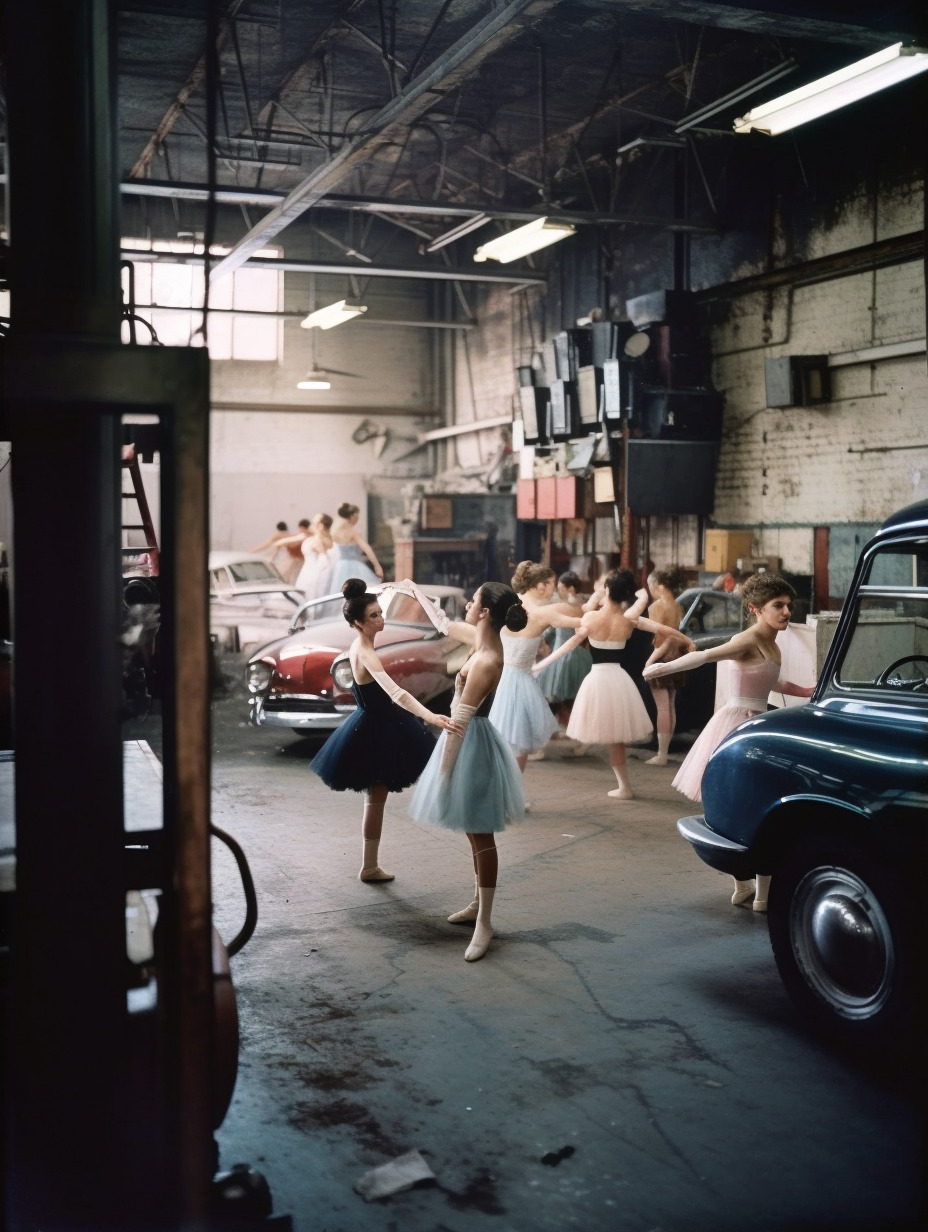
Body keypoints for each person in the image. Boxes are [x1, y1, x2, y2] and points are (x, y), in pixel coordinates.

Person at [643, 572, 814, 911]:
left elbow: (771, 680)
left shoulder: (772, 643)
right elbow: (705, 656)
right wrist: (660, 670)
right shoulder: (747, 639)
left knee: (763, 806)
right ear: (756, 608)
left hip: (759, 723)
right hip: (737, 724)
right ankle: (743, 885)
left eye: (788, 606)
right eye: (777, 606)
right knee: (736, 805)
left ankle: (761, 893)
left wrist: (807, 691)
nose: (786, 612)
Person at [310, 579, 463, 883]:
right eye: (374, 616)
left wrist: (399, 586)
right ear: (357, 622)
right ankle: (369, 866)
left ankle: (370, 864)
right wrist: (430, 716)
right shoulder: (365, 652)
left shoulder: (361, 644)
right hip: (376, 728)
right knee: (376, 798)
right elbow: (397, 694)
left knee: (375, 798)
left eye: (380, 613)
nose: (381, 619)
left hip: (376, 723)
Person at [407, 581, 527, 962]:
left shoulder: (489, 658)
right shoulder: (482, 641)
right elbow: (444, 623)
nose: (468, 604)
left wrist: (443, 773)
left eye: (473, 600)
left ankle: (486, 922)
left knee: (481, 835)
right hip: (468, 740)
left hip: (471, 744)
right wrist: (416, 594)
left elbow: (459, 719)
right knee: (475, 835)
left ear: (486, 612)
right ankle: (478, 903)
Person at [537, 569, 693, 800]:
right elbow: (662, 629)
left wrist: (540, 666)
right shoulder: (628, 619)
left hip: (598, 679)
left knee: (608, 734)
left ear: (607, 590)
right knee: (616, 738)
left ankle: (622, 786)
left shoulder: (591, 618)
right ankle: (624, 786)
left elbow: (569, 644)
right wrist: (688, 640)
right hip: (619, 680)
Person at [488, 561, 581, 775]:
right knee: (518, 741)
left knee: (507, 737)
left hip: (501, 675)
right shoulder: (541, 613)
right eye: (551, 584)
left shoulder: (507, 604)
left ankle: (507, 790)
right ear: (540, 586)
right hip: (520, 679)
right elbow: (575, 621)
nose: (553, 589)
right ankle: (514, 792)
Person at [539, 569, 593, 738]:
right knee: (563, 699)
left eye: (561, 587)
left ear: (570, 589)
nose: (558, 591)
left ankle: (571, 731)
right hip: (564, 652)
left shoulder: (569, 607)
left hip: (565, 655)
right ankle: (563, 729)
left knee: (560, 698)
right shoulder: (581, 606)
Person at [644, 568, 686, 767]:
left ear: (659, 586)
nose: (650, 590)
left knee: (662, 707)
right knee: (670, 705)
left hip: (661, 657)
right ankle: (664, 752)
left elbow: (664, 638)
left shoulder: (656, 607)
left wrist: (650, 660)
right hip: (677, 658)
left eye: (651, 586)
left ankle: (661, 754)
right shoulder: (678, 606)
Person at [329, 502, 384, 591]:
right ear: (352, 516)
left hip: (340, 566)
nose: (357, 519)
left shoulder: (335, 531)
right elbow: (367, 549)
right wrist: (377, 566)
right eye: (357, 517)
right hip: (355, 565)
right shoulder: (353, 531)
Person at [294, 512, 334, 598]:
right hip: (307, 570)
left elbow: (325, 558)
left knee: (313, 594)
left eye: (315, 522)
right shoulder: (313, 538)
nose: (312, 524)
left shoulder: (321, 539)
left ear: (321, 525)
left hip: (316, 571)